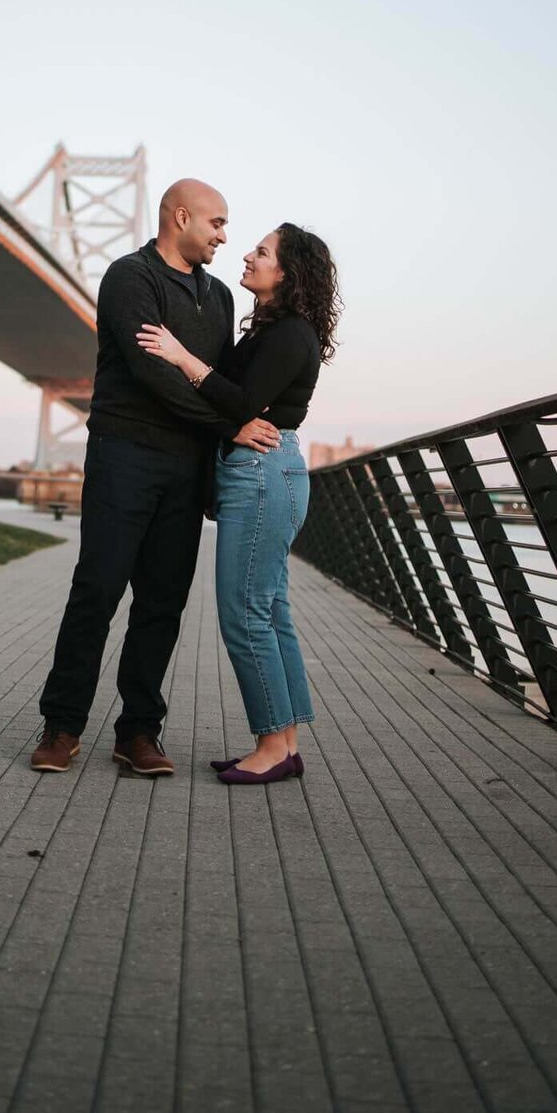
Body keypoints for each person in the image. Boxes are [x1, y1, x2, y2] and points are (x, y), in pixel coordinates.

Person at [31, 180, 281, 777]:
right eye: (217, 223)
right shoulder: (129, 277)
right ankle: (62, 726)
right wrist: (232, 426)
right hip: (124, 454)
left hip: (187, 467)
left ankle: (139, 731)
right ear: (181, 216)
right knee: (98, 591)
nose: (225, 236)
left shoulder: (219, 296)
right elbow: (154, 375)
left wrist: (233, 425)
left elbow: (218, 380)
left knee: (162, 603)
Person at [136, 223, 340, 784]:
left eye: (262, 251)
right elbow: (237, 405)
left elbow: (245, 403)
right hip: (263, 470)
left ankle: (272, 747)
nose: (247, 255)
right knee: (270, 610)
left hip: (262, 472)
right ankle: (287, 741)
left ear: (288, 272)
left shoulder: (290, 334)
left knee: (244, 612)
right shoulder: (273, 330)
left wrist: (181, 356)